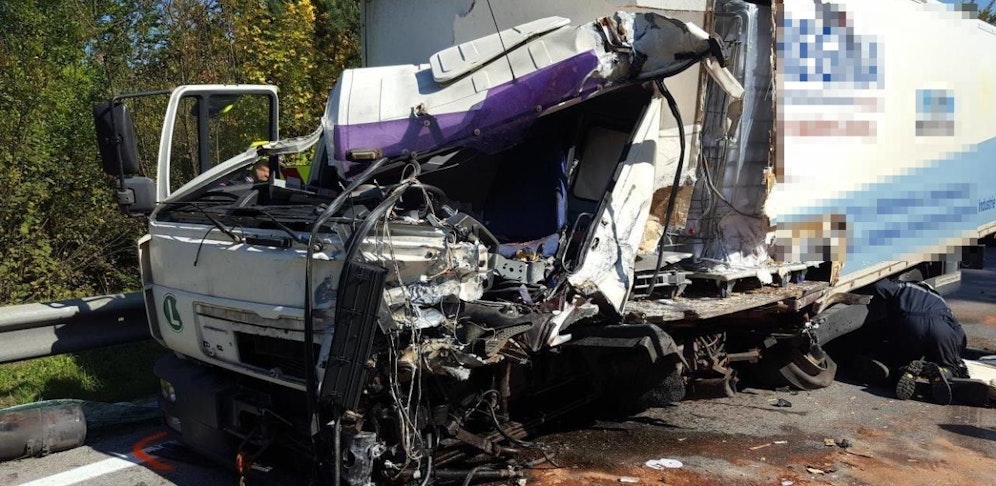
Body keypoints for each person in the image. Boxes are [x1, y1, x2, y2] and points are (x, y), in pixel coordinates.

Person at [866, 278, 968, 405]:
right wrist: (954, 356)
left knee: (904, 358)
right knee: (951, 366)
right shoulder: (941, 302)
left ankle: (907, 370)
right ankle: (944, 372)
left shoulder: (904, 286)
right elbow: (959, 334)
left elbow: (878, 285)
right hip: (940, 328)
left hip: (911, 326)